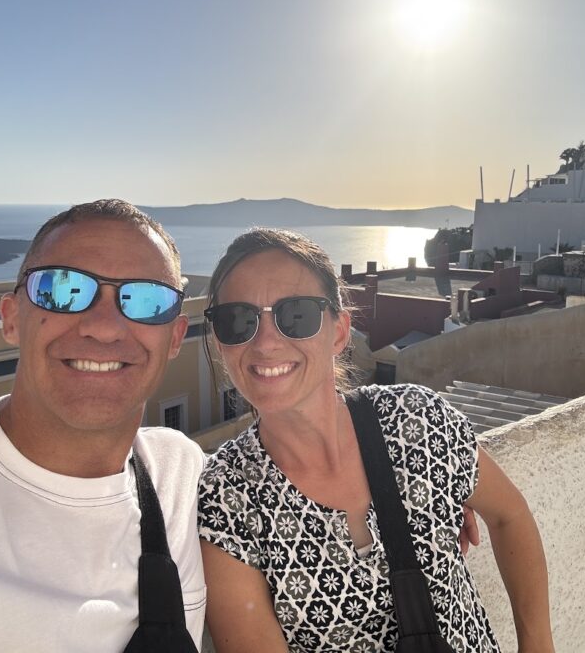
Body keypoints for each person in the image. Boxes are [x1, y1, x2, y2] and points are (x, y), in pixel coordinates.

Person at [198, 228, 555, 653]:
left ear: (339, 331)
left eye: (295, 315)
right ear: (220, 342)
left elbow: (509, 515)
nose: (267, 342)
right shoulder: (228, 497)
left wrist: (537, 645)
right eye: (237, 320)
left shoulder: (418, 422)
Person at [0, 199, 206, 652]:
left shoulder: (182, 472)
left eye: (147, 300)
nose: (105, 327)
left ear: (176, 337)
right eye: (61, 288)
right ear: (11, 317)